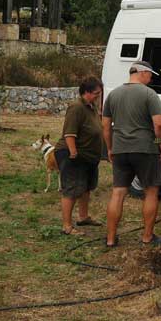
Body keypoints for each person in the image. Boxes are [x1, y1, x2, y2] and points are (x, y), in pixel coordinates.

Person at [103, 60, 161, 247]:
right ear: (142, 72)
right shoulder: (149, 94)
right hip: (144, 149)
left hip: (120, 149)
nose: (151, 79)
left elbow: (105, 126)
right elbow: (159, 124)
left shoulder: (113, 94)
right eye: (150, 75)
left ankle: (110, 239)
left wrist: (110, 148)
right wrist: (160, 144)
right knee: (151, 191)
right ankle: (147, 237)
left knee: (118, 192)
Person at [54, 77, 104, 235]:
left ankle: (83, 217)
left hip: (88, 157)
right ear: (86, 92)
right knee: (72, 189)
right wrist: (73, 153)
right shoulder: (76, 108)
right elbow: (69, 133)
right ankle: (67, 226)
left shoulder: (91, 107)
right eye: (96, 93)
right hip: (73, 155)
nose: (98, 96)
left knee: (86, 187)